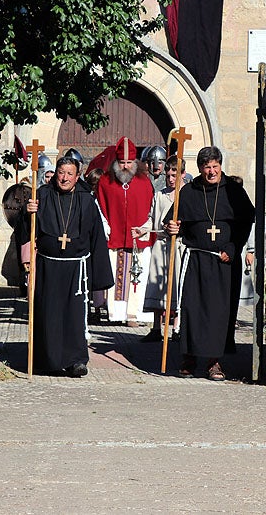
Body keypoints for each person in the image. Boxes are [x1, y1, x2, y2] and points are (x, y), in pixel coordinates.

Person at [166, 146, 254, 381]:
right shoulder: (188, 192)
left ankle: (215, 362)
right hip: (196, 260)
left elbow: (245, 221)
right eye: (207, 167)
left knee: (219, 313)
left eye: (215, 166)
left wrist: (233, 247)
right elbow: (174, 222)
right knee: (192, 310)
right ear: (200, 168)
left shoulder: (234, 191)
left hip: (224, 263)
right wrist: (173, 228)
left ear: (220, 166)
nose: (212, 171)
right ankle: (189, 358)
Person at [26, 156, 114, 376]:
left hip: (77, 268)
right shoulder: (42, 196)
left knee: (74, 316)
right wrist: (28, 214)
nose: (64, 178)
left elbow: (97, 238)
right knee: (49, 314)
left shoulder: (86, 199)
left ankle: (76, 360)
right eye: (61, 172)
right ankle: (47, 359)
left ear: (77, 176)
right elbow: (27, 230)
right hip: (49, 265)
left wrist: (99, 276)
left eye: (69, 174)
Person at [95, 137, 155, 326]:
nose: (126, 166)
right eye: (122, 162)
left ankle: (133, 314)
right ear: (116, 162)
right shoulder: (105, 181)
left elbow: (151, 210)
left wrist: (144, 229)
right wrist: (107, 229)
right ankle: (116, 313)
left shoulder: (144, 182)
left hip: (138, 241)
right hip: (114, 240)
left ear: (135, 163)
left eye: (129, 162)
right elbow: (99, 208)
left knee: (137, 278)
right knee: (115, 275)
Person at [138, 156, 186, 343]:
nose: (170, 178)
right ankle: (156, 328)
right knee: (157, 285)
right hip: (161, 244)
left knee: (177, 285)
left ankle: (177, 327)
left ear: (182, 174)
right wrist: (143, 228)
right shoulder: (160, 195)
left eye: (174, 174)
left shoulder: (187, 195)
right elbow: (152, 218)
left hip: (180, 245)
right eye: (168, 175)